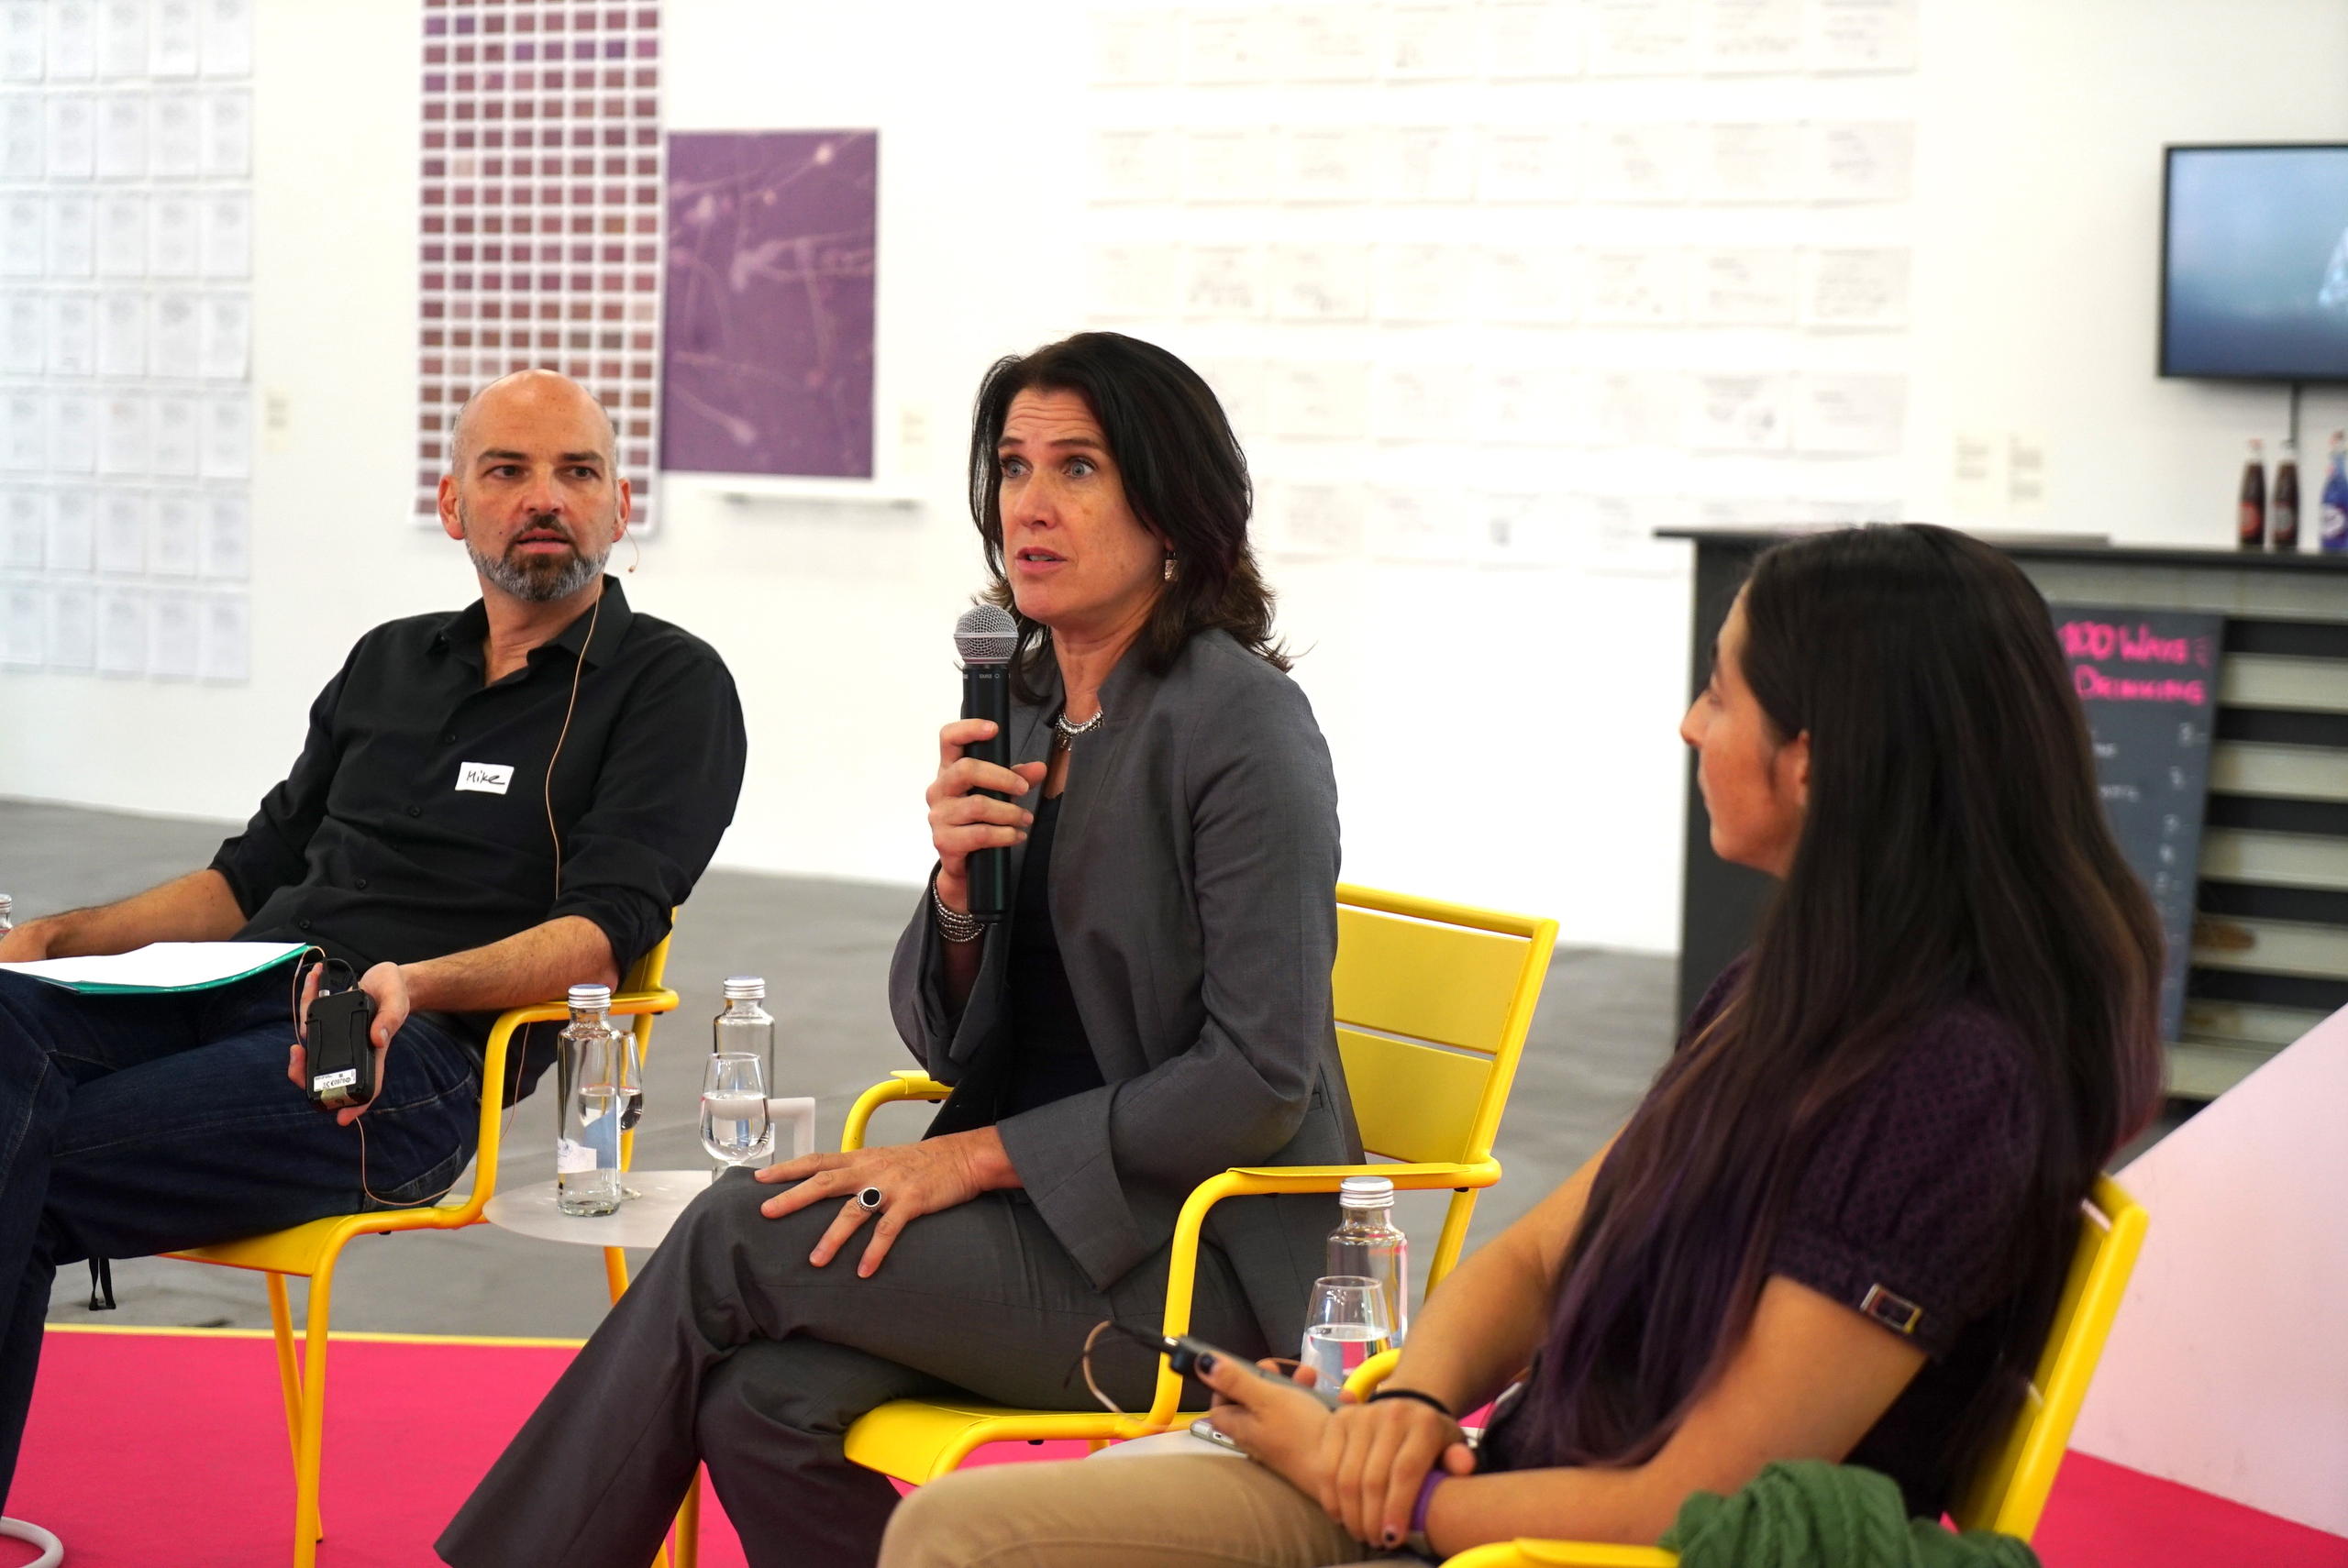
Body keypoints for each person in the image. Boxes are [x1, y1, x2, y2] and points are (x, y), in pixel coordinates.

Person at [878, 523, 2166, 1568]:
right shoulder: (1798, 991)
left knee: (963, 1536)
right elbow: (1546, 1250)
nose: (1689, 725)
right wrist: (1409, 1404)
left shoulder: (1944, 1089)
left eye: (1719, 692)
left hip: (1525, 1538)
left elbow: (1685, 1504)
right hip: (1487, 1486)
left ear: (1815, 765)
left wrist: (1378, 1486)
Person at [438, 332, 1356, 1568]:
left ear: (1175, 508)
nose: (1029, 503)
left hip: (1196, 1266)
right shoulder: (1025, 696)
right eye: (1015, 466)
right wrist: (961, 891)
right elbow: (948, 1035)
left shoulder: (1243, 724)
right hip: (1054, 1223)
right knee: (757, 1404)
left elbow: (1260, 1079)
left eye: (1077, 468)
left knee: (734, 1227)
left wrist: (969, 1161)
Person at [0, 370, 747, 1506]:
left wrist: (417, 981)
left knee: (20, 1157)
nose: (545, 497)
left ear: (619, 505)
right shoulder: (390, 661)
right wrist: (56, 938)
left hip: (405, 1062)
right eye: (508, 471)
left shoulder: (669, 687)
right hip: (229, 988)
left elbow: (601, 934)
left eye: (576, 472)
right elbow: (245, 879)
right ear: (453, 505)